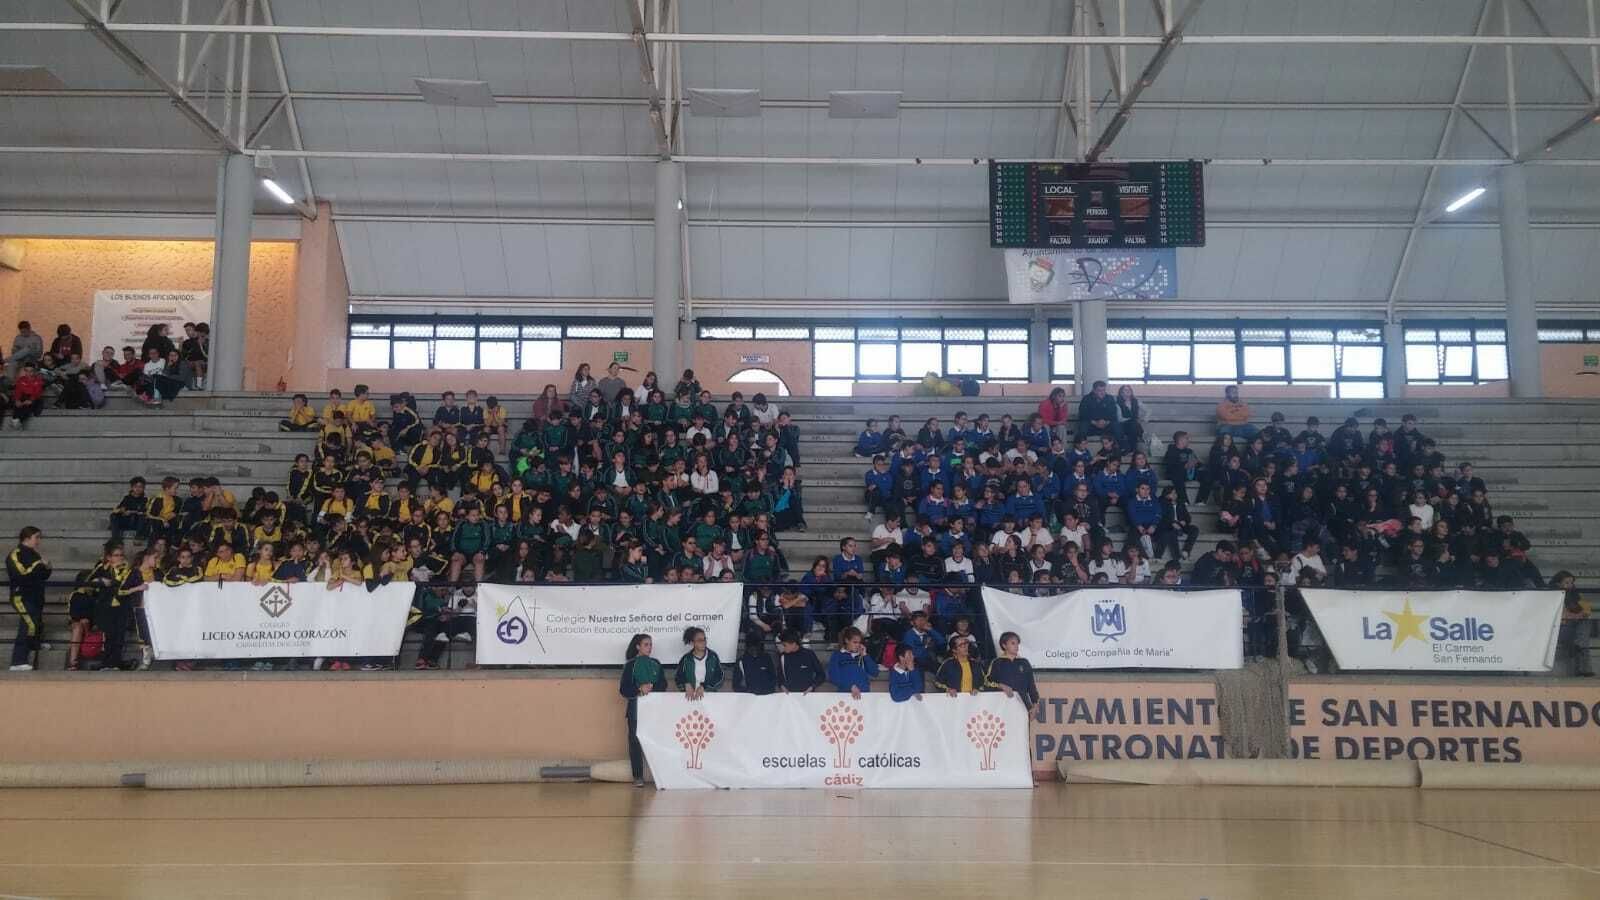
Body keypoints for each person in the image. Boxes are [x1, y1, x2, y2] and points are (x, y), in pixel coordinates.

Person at [619, 633, 667, 787]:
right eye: (646, 644)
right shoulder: (630, 665)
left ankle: (659, 774)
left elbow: (663, 684)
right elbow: (624, 690)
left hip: (654, 709)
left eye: (651, 644)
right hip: (636, 709)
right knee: (635, 741)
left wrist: (652, 688)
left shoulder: (656, 663)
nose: (649, 647)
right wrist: (640, 688)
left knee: (655, 740)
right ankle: (638, 776)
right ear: (638, 646)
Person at [7, 526, 51, 671]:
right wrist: (39, 565)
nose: (38, 541)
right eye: (36, 537)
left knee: (36, 620)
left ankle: (34, 643)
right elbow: (22, 575)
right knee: (28, 623)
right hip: (22, 595)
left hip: (36, 595)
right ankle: (18, 660)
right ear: (27, 538)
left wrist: (47, 567)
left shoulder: (34, 554)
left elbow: (42, 575)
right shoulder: (15, 554)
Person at [985, 631, 1039, 712]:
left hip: (1023, 705)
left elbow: (1031, 686)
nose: (1016, 646)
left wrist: (1035, 705)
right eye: (1013, 643)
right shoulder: (997, 662)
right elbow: (987, 682)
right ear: (1004, 645)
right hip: (1002, 706)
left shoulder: (1024, 662)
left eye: (1017, 644)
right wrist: (1000, 686)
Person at [827, 626, 878, 697]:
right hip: (845, 695)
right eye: (855, 642)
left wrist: (865, 655)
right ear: (846, 640)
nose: (857, 645)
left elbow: (875, 673)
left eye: (859, 642)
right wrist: (850, 686)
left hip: (864, 695)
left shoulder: (863, 655)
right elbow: (833, 677)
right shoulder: (837, 655)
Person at [674, 626, 724, 698]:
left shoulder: (713, 657)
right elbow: (678, 678)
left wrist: (704, 686)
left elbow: (720, 677)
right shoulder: (685, 659)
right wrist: (686, 684)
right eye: (700, 640)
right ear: (692, 643)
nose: (703, 642)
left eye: (704, 639)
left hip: (709, 695)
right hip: (690, 697)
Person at [775, 628, 825, 693]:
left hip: (808, 695)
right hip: (790, 695)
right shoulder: (782, 656)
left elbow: (821, 674)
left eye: (785, 645)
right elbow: (779, 676)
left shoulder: (809, 654)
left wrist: (812, 686)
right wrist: (782, 686)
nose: (783, 647)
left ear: (793, 644)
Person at [732, 629, 778, 694]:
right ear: (747, 647)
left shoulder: (767, 658)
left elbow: (773, 678)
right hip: (749, 697)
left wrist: (765, 691)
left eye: (756, 647)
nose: (754, 650)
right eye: (751, 648)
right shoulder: (741, 661)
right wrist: (749, 691)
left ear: (759, 646)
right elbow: (736, 685)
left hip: (766, 696)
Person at [8, 363, 45, 428]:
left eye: (31, 371)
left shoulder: (38, 380)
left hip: (35, 399)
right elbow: (17, 391)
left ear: (34, 371)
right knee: (19, 401)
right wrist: (17, 400)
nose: (29, 373)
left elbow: (37, 392)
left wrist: (30, 400)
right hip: (23, 398)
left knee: (29, 404)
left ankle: (17, 420)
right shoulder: (21, 379)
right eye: (26, 371)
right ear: (25, 371)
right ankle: (16, 419)